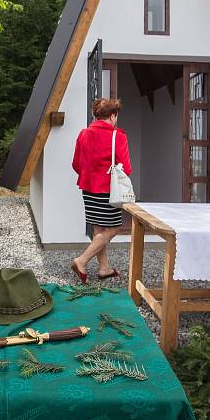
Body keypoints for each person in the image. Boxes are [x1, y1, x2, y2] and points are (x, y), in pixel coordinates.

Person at [70, 98, 132, 284]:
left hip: (88, 187)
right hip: (108, 189)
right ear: (113, 115)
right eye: (116, 116)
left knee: (99, 228)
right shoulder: (118, 136)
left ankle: (104, 268)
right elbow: (126, 168)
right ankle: (81, 260)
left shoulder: (84, 134)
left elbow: (76, 164)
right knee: (112, 229)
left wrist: (91, 174)